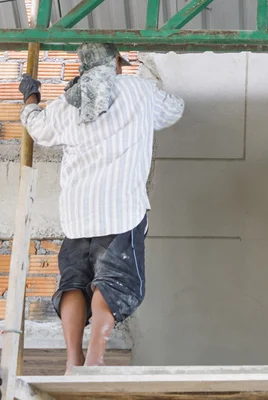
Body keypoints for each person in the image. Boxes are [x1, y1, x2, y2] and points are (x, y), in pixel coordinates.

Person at [18, 43, 185, 373]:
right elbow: (174, 110)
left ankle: (71, 362)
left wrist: (31, 96)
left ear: (83, 67)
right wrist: (150, 82)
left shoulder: (68, 103)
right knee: (111, 283)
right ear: (116, 63)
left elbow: (36, 126)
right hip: (121, 210)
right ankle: (94, 360)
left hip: (77, 214)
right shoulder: (138, 90)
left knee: (74, 282)